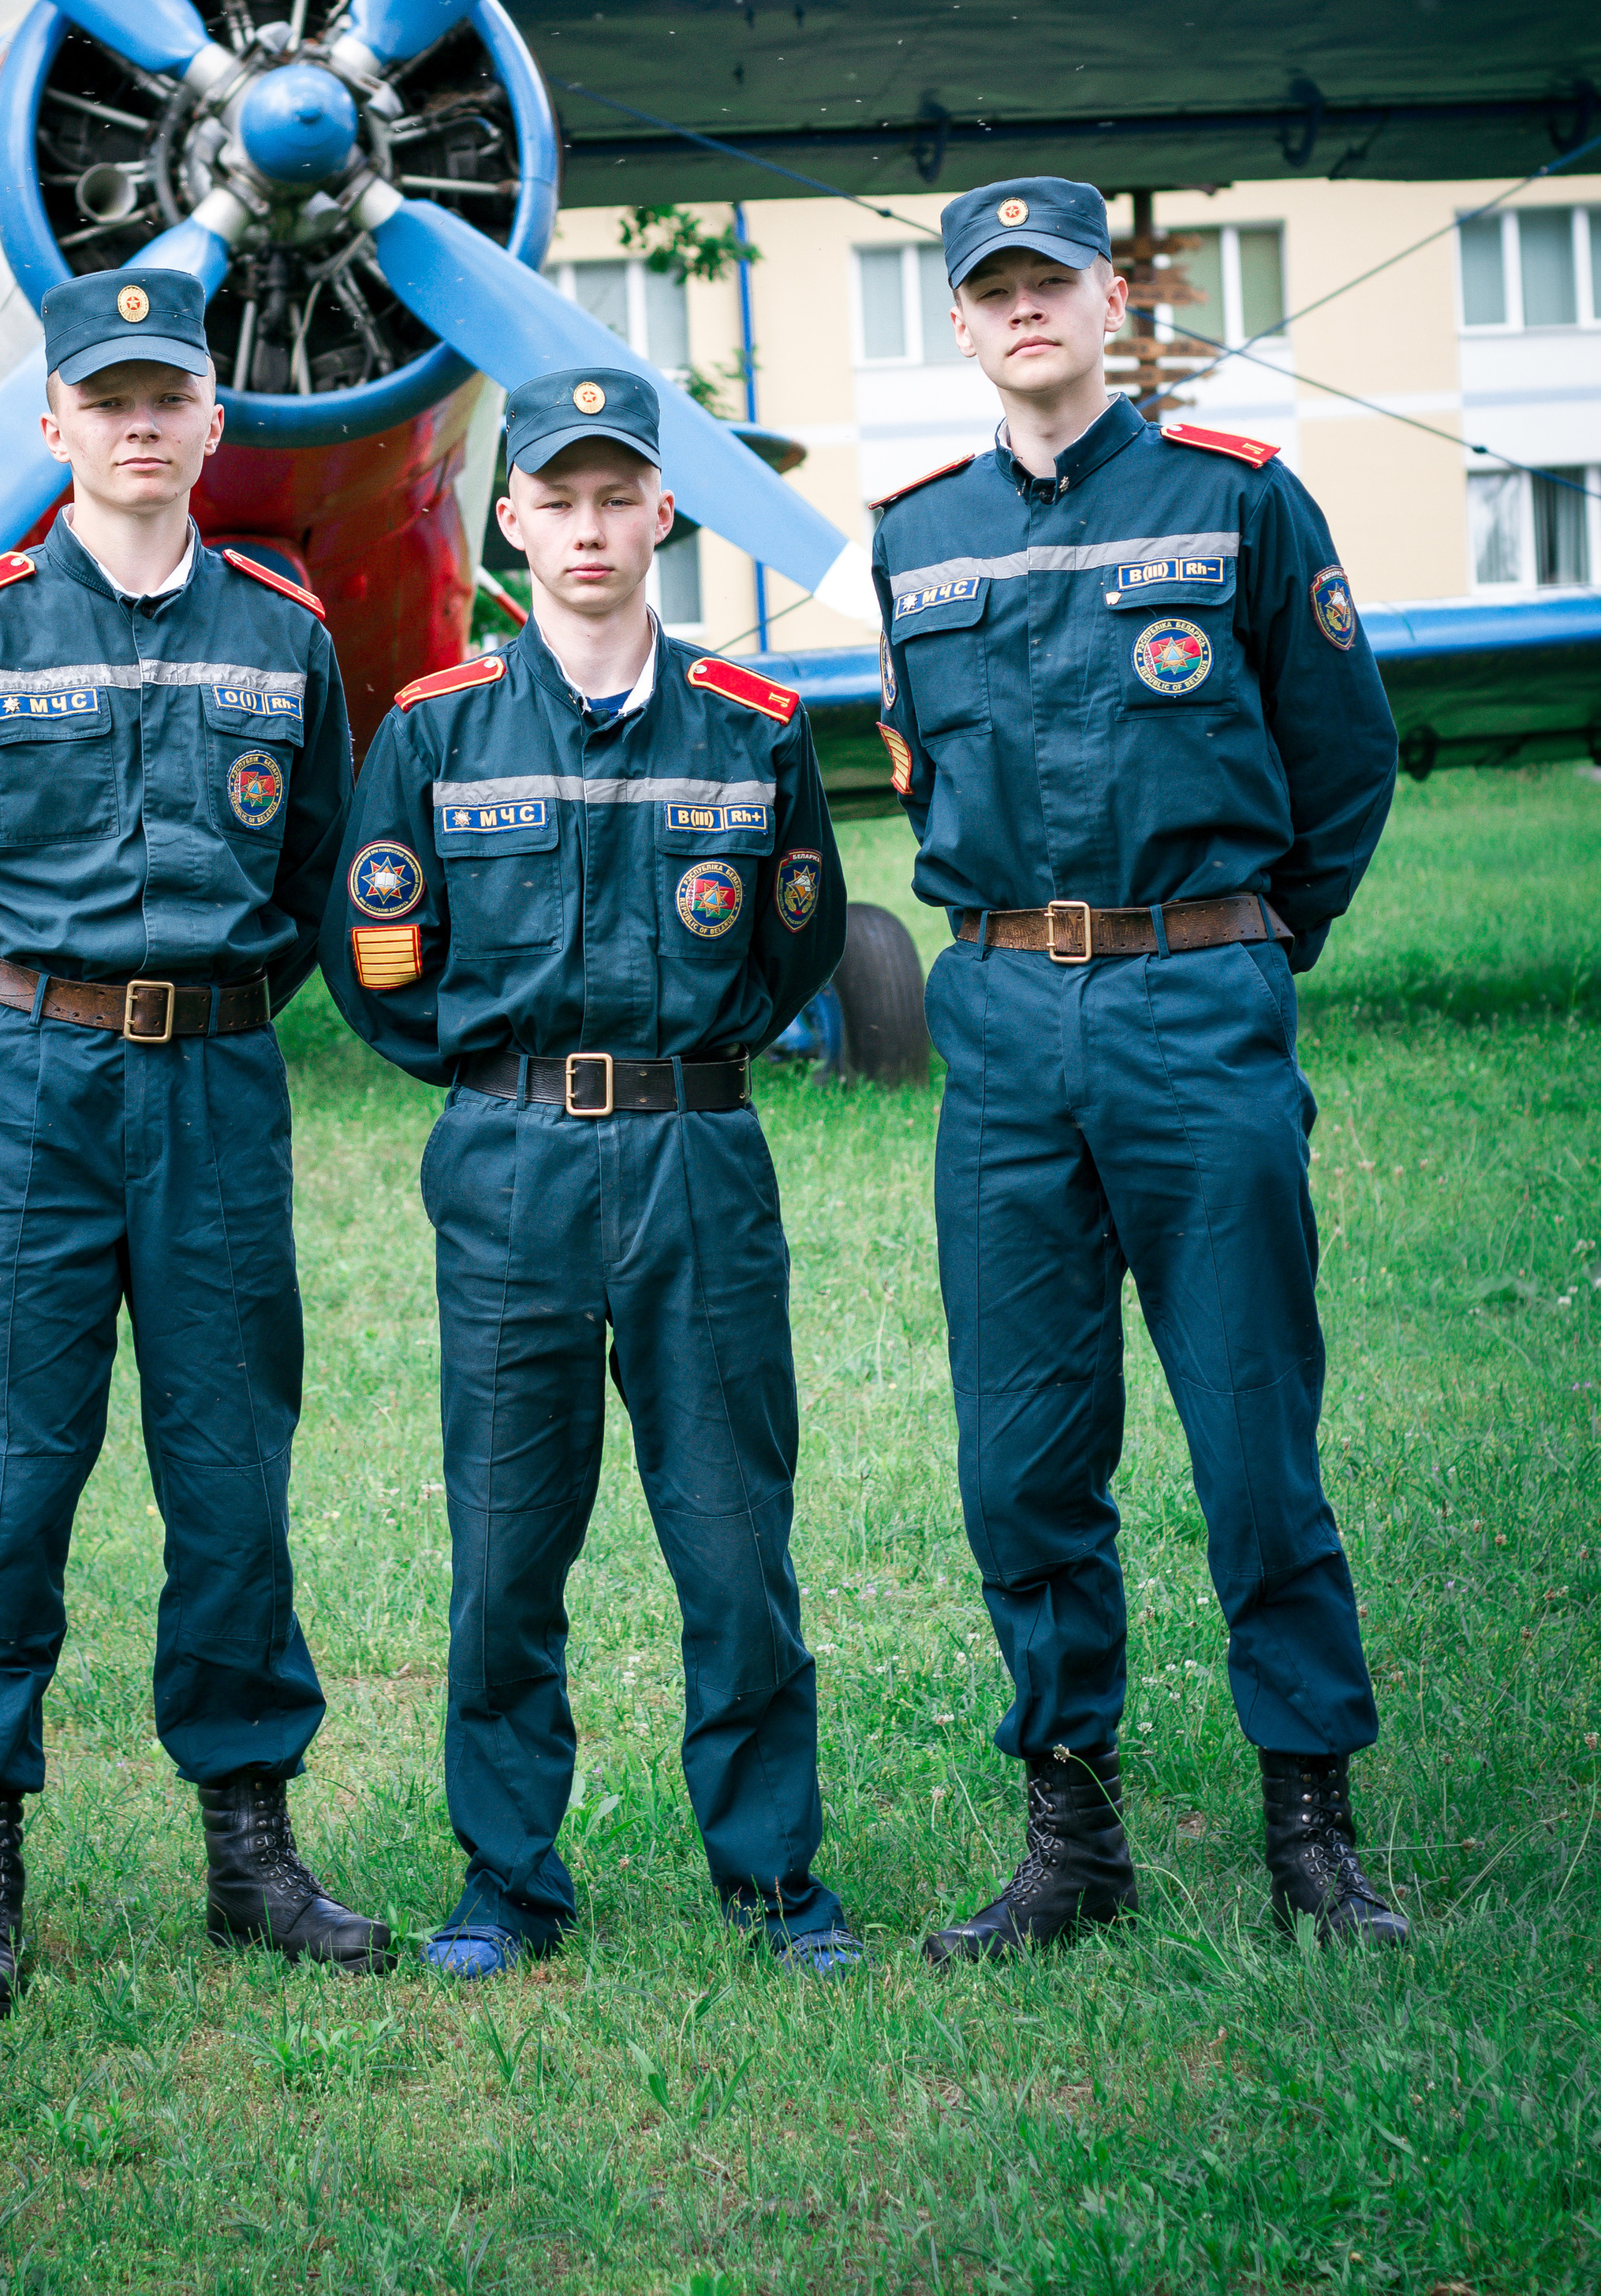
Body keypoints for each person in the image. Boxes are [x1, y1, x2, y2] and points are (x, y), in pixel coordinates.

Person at [0, 266, 391, 2013]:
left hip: (216, 1090)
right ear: (53, 423)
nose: (140, 426)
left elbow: (318, 877)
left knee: (230, 1470)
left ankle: (250, 1842)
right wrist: (16, 1018)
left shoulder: (283, 637)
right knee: (11, 1473)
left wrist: (195, 1009)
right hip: (32, 1096)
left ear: (212, 425)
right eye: (108, 400)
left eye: (168, 399)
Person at [871, 177, 1409, 1962]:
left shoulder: (1238, 500)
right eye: (993, 289)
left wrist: (1239, 945)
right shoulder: (916, 537)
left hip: (1197, 1007)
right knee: (1020, 1455)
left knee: (1251, 1430)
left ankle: (1310, 1829)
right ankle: (1071, 1839)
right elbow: (922, 770)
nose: (1025, 309)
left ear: (1113, 302)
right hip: (1003, 1026)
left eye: (1055, 280)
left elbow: (1343, 760)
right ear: (961, 322)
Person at [320, 366, 857, 1975]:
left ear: (664, 511)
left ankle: (773, 1878)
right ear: (511, 519)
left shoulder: (756, 726)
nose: (589, 528)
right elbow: (373, 951)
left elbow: (797, 938)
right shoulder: (434, 728)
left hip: (698, 1157)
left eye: (619, 496)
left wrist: (682, 1071)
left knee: (733, 1540)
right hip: (509, 1167)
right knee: (505, 1547)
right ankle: (506, 1882)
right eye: (557, 498)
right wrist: (498, 1083)